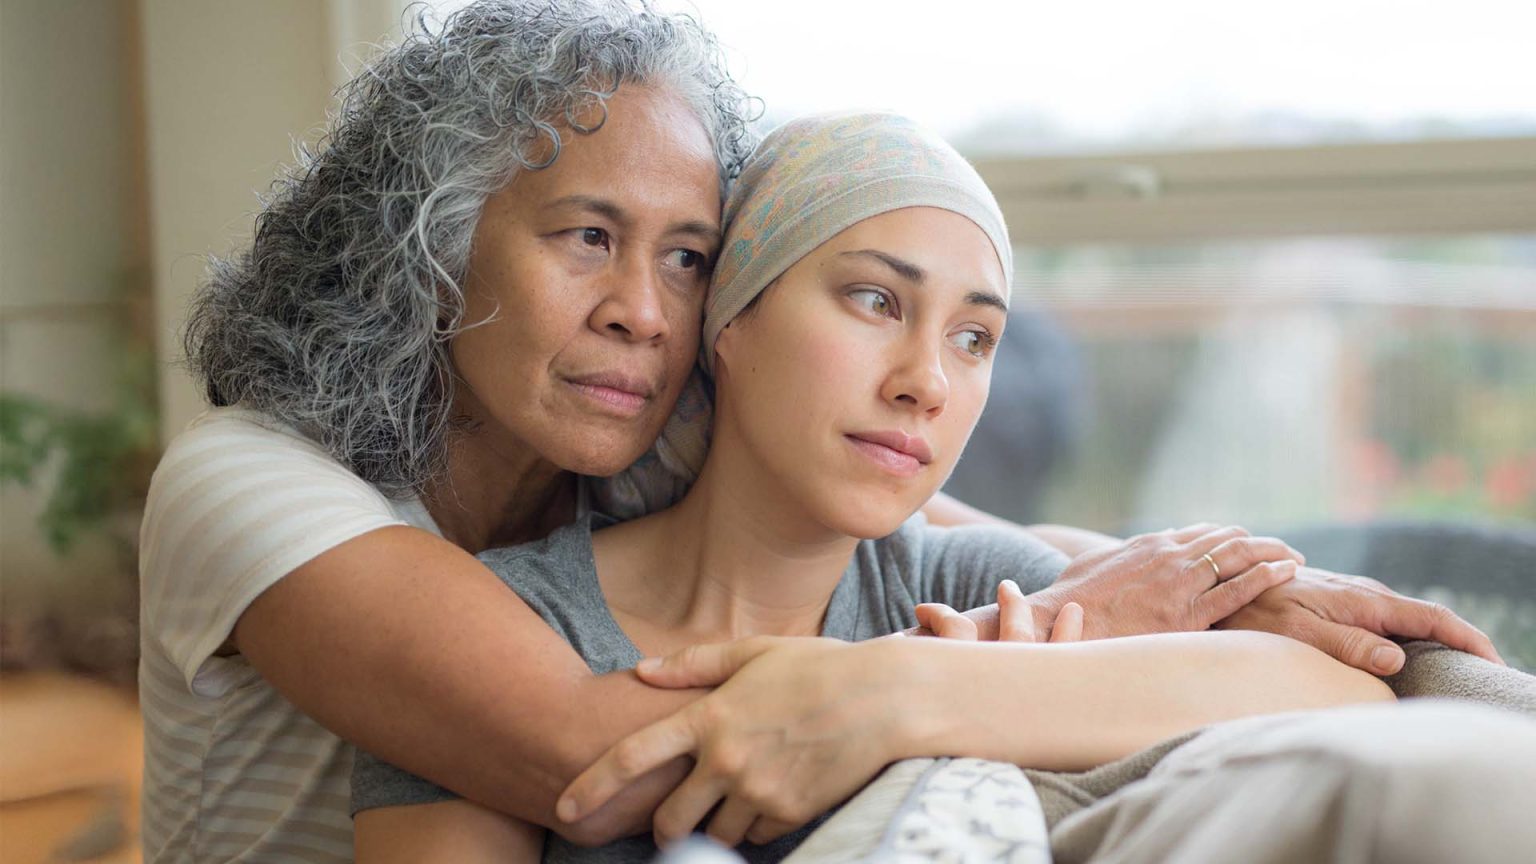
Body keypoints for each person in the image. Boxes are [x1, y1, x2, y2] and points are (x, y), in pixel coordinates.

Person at [139, 2, 1502, 861]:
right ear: (426, 248)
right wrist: (934, 684)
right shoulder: (251, 483)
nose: (641, 311)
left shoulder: (633, 440)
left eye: (684, 258)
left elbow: (993, 542)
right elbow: (586, 755)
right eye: (588, 238)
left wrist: (1244, 585)